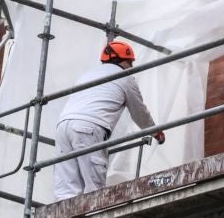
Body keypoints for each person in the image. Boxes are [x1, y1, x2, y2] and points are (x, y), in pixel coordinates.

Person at [52, 40, 166, 200]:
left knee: (66, 189)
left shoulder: (87, 75)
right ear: (124, 61)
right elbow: (140, 113)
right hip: (89, 128)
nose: (131, 67)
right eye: (130, 63)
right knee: (94, 189)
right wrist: (156, 132)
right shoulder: (125, 78)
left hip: (63, 127)